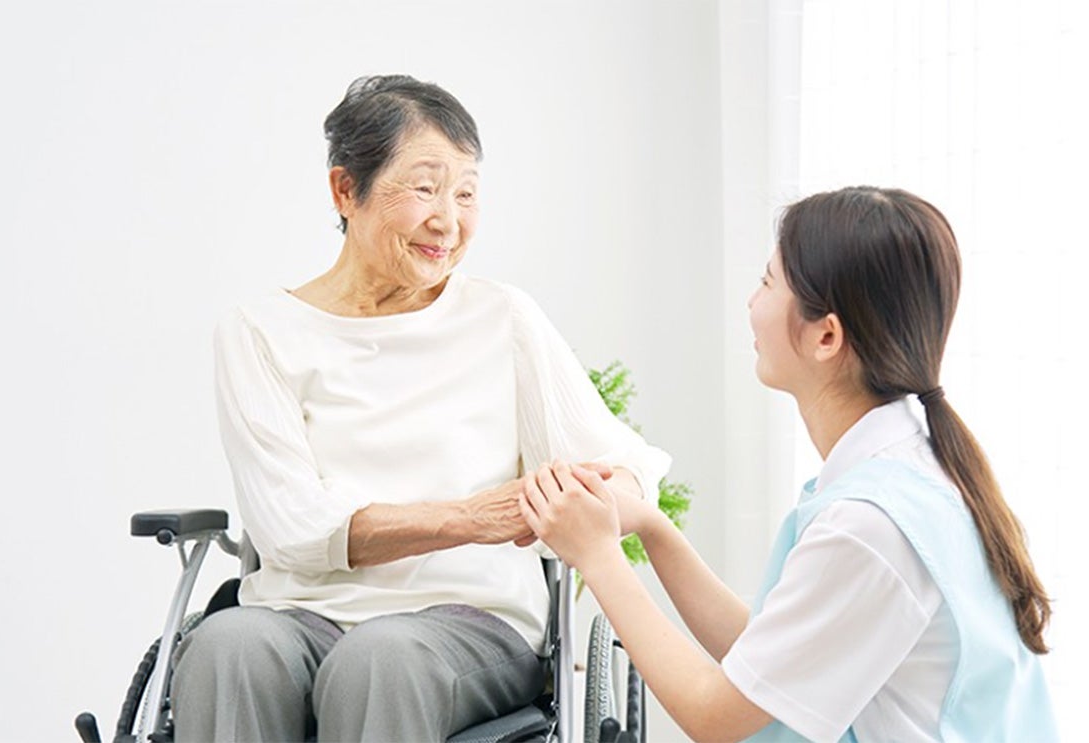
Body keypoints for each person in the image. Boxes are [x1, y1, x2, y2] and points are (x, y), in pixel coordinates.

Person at [169, 74, 671, 742]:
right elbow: (290, 527)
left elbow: (623, 466)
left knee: (379, 659)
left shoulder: (504, 318)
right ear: (346, 190)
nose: (449, 219)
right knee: (226, 648)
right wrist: (471, 516)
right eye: (425, 187)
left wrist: (589, 498)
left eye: (466, 192)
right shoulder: (258, 332)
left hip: (466, 623)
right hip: (296, 615)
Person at [522, 186, 1057, 742]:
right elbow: (770, 664)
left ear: (826, 335)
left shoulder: (870, 527)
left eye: (766, 283)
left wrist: (598, 555)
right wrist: (653, 529)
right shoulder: (913, 468)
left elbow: (716, 715)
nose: (751, 305)